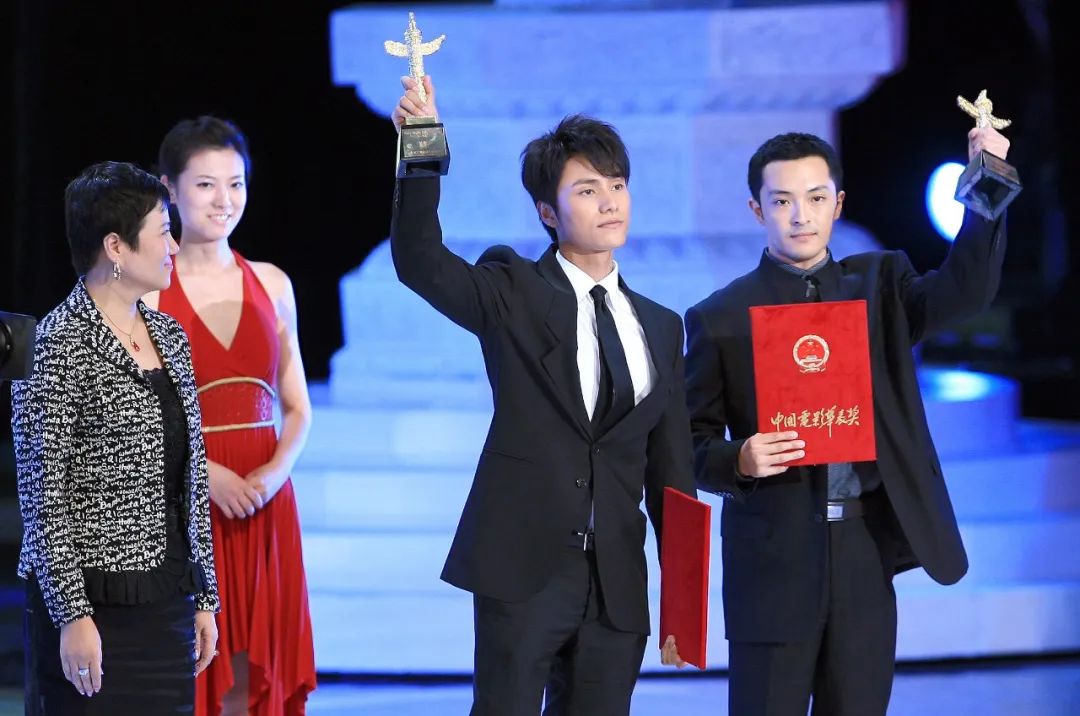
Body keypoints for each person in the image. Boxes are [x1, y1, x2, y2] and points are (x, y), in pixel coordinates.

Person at [391, 75, 696, 715]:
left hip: (617, 584)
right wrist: (420, 145)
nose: (609, 202)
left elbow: (672, 472)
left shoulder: (662, 326)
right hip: (523, 570)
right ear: (548, 213)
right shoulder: (513, 292)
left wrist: (685, 606)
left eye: (617, 185)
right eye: (587, 190)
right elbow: (419, 258)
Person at [684, 127, 1010, 715]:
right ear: (757, 209)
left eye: (815, 198)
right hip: (772, 555)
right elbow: (687, 443)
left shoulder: (881, 287)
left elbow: (965, 292)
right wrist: (739, 458)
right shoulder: (721, 316)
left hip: (863, 546)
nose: (800, 216)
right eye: (782, 201)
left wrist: (986, 176)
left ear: (838, 203)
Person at [12, 160, 220, 714]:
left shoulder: (170, 335)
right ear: (116, 247)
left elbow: (191, 477)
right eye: (163, 232)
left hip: (168, 602)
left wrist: (204, 596)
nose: (174, 246)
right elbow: (42, 495)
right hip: (92, 610)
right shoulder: (56, 343)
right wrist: (72, 616)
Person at [144, 116, 316, 716]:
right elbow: (137, 418)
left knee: (253, 674)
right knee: (193, 672)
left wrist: (273, 475)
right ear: (169, 189)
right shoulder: (147, 292)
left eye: (236, 184)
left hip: (265, 500)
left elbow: (297, 407)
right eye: (206, 185)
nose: (225, 200)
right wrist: (203, 474)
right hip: (186, 499)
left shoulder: (272, 283)